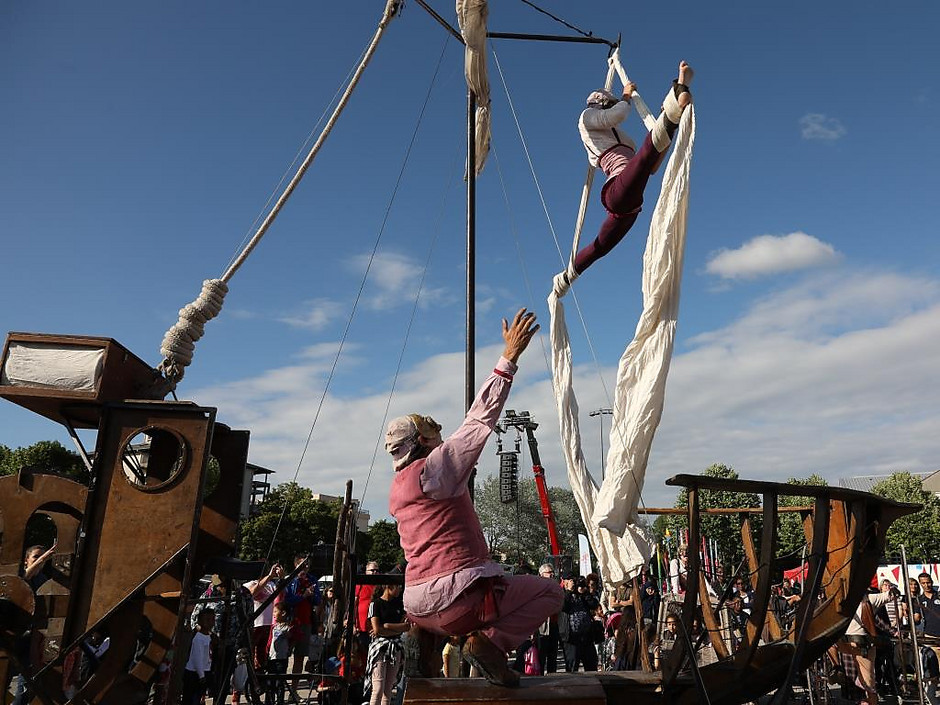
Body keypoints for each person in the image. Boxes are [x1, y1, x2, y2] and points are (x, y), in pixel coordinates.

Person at [386, 308, 564, 687]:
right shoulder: (436, 469)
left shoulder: (397, 488)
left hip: (415, 603)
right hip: (457, 601)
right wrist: (509, 358)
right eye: (433, 431)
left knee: (443, 604)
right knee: (549, 593)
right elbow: (479, 421)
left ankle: (421, 637)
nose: (440, 435)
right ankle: (490, 647)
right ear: (421, 442)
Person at [556, 61, 694, 291]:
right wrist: (626, 97)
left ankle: (565, 279)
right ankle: (677, 95)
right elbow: (618, 116)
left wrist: (665, 129)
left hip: (629, 206)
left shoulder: (623, 140)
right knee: (644, 154)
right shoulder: (587, 118)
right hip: (617, 192)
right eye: (610, 104)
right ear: (602, 104)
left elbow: (650, 166)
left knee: (601, 246)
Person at [366, 584, 409, 705]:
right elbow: (377, 629)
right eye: (398, 586)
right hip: (380, 648)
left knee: (388, 688)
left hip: (395, 646)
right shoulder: (376, 604)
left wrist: (387, 626)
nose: (400, 589)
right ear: (389, 587)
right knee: (378, 687)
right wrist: (388, 629)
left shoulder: (399, 604)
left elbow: (405, 626)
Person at [245, 562, 283, 671]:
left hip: (268, 624)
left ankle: (260, 677)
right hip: (255, 624)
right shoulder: (250, 584)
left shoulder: (271, 585)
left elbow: (280, 597)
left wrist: (281, 579)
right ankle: (250, 676)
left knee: (262, 655)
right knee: (251, 653)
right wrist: (269, 577)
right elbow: (253, 592)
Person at [561, 573, 600, 673]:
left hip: (587, 636)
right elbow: (563, 607)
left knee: (591, 665)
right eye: (570, 581)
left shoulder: (583, 595)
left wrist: (585, 593)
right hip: (572, 638)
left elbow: (594, 605)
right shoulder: (564, 594)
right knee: (572, 667)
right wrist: (569, 591)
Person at [182, 608, 215, 705]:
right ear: (200, 621)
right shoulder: (198, 638)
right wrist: (201, 675)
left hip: (204, 671)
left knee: (198, 696)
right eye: (207, 620)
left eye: (212, 619)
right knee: (191, 698)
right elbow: (198, 658)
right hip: (194, 673)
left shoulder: (208, 636)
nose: (210, 623)